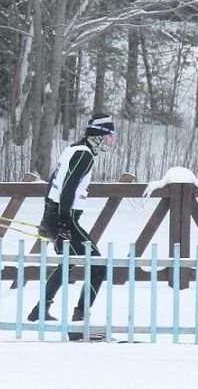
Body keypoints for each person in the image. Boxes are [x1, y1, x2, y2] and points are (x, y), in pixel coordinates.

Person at [28, 113, 116, 324]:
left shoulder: (72, 149)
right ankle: (80, 316)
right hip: (66, 218)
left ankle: (40, 310)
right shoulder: (84, 155)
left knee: (68, 262)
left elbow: (52, 185)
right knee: (98, 266)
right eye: (110, 135)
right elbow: (67, 188)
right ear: (99, 135)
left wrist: (47, 219)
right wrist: (64, 222)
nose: (111, 141)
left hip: (56, 215)